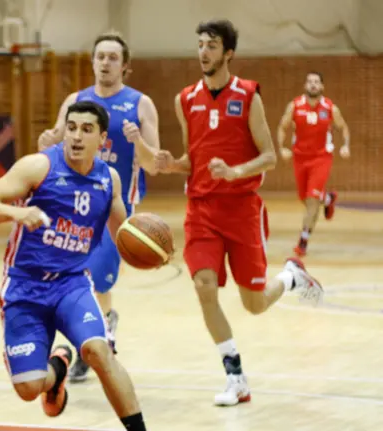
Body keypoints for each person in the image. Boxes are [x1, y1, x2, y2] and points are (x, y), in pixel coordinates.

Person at [153, 20, 325, 407]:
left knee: (255, 304)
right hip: (201, 210)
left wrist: (235, 172)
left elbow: (270, 155)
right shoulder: (185, 99)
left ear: (228, 52)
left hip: (241, 210)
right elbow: (193, 160)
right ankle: (236, 377)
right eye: (199, 44)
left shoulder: (248, 95)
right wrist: (171, 164)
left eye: (211, 45)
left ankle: (291, 278)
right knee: (204, 287)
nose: (203, 52)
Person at [0, 101, 147, 430]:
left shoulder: (109, 180)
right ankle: (56, 372)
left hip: (72, 285)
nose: (77, 136)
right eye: (71, 127)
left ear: (102, 139)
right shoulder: (38, 167)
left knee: (99, 351)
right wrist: (17, 213)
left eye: (87, 129)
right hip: (24, 287)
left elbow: (125, 235)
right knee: (28, 389)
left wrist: (150, 249)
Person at [37, 31, 161, 382]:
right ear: (93, 61)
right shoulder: (76, 100)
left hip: (114, 207)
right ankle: (89, 344)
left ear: (125, 66)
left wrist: (140, 144)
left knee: (96, 280)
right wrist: (46, 141)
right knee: (71, 278)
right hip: (73, 205)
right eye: (100, 56)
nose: (105, 62)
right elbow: (55, 145)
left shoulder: (140, 104)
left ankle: (96, 335)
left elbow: (154, 164)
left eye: (112, 57)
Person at [276, 71, 351, 256]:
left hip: (321, 158)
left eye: (316, 82)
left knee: (311, 200)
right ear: (305, 85)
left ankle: (303, 240)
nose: (313, 85)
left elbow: (344, 127)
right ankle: (328, 199)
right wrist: (281, 148)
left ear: (322, 87)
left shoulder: (330, 108)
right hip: (300, 158)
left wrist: (346, 145)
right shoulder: (295, 106)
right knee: (305, 198)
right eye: (309, 81)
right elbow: (282, 127)